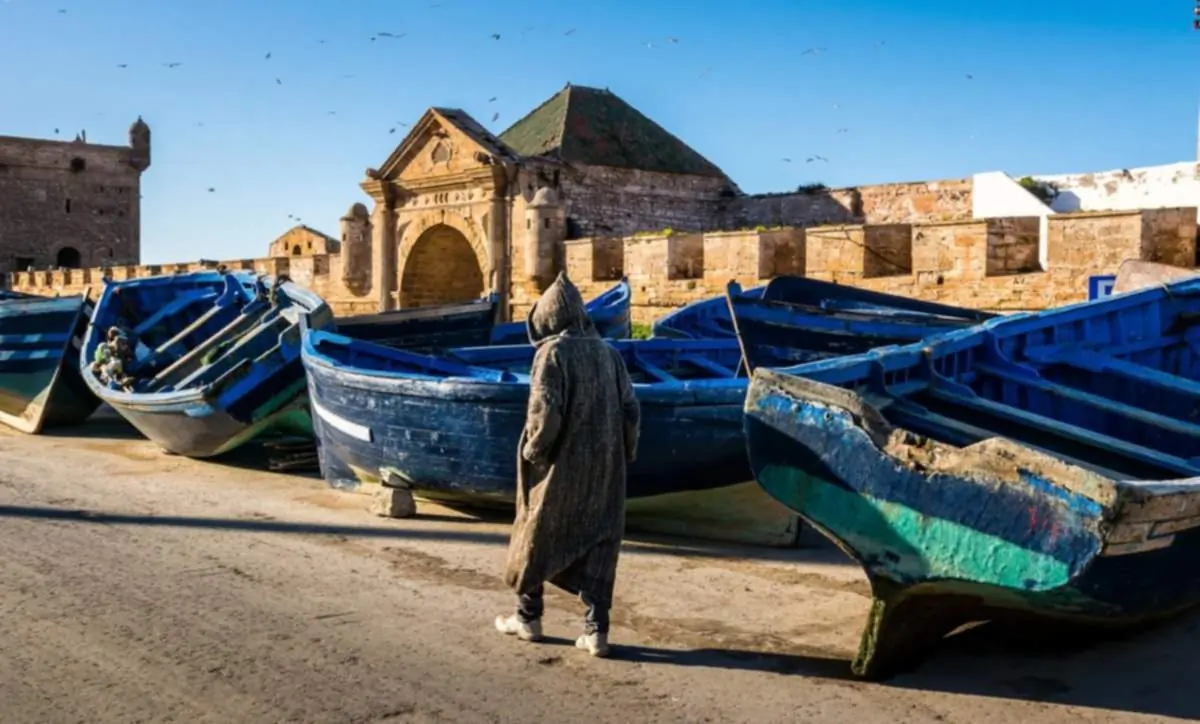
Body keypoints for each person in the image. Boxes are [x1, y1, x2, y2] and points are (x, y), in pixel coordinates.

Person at [495, 272, 640, 657]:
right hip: (606, 466)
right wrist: (626, 452)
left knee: (536, 530)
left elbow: (545, 411)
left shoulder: (551, 354)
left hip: (560, 464)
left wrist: (534, 452)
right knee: (600, 540)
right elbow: (631, 408)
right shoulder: (609, 354)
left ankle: (528, 618)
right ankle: (597, 632)